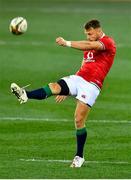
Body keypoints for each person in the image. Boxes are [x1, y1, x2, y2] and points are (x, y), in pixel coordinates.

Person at [10, 19, 116, 168]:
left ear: (99, 30)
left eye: (90, 34)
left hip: (92, 86)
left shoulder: (108, 42)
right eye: (86, 34)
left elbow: (91, 45)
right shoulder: (88, 46)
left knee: (79, 120)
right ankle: (25, 94)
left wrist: (66, 43)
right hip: (79, 78)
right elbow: (84, 64)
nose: (88, 37)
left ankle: (79, 156)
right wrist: (69, 90)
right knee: (54, 86)